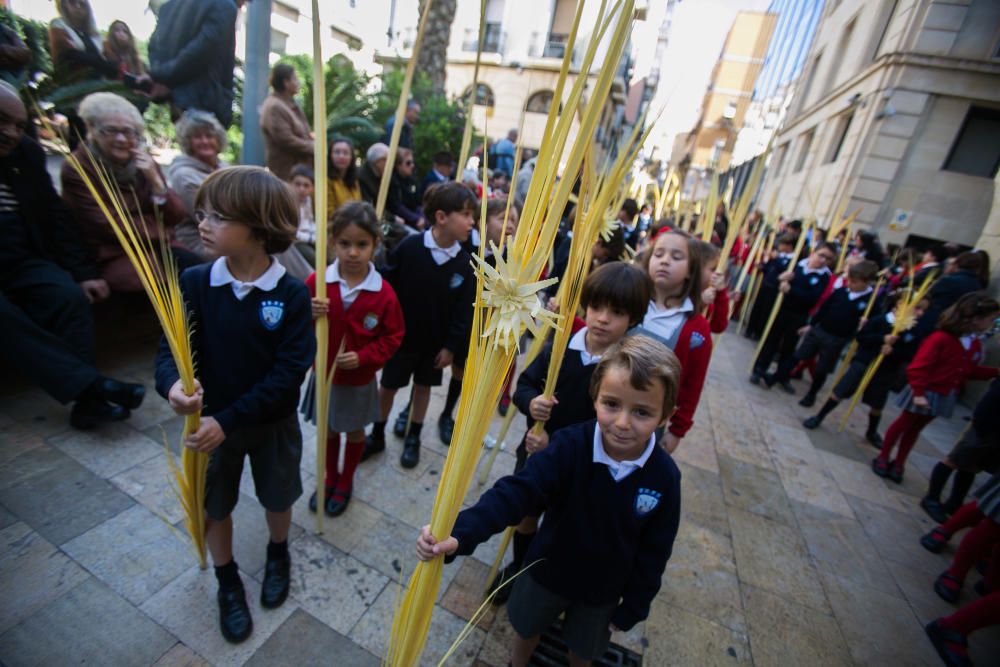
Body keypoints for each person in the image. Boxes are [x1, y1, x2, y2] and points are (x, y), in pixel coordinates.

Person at [416, 336, 682, 667]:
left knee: (584, 648)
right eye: (612, 404)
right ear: (595, 396)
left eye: (642, 411)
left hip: (603, 590)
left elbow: (656, 550)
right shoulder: (569, 445)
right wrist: (461, 532)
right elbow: (518, 491)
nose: (623, 423)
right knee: (526, 628)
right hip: (547, 569)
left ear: (665, 415)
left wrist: (635, 606)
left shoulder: (665, 477)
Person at [154, 166, 314, 644]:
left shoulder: (290, 295)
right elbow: (171, 351)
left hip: (270, 424)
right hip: (209, 429)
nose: (202, 223)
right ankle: (226, 578)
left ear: (260, 226)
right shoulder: (196, 282)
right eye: (201, 212)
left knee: (278, 495)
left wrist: (230, 418)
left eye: (218, 216)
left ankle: (278, 551)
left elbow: (289, 374)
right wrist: (172, 389)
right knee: (215, 503)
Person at [488, 262, 653, 605]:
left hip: (585, 465)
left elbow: (613, 425)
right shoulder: (561, 345)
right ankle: (518, 568)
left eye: (617, 312)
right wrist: (532, 404)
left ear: (634, 319)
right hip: (537, 451)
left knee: (563, 522)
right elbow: (526, 385)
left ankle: (543, 575)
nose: (602, 318)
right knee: (527, 513)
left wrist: (560, 443)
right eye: (596, 307)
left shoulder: (624, 368)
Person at [0, 81, 144, 429]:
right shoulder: (81, 167)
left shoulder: (27, 155)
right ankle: (91, 390)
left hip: (18, 259)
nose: (11, 133)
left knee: (66, 295)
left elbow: (55, 217)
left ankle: (88, 400)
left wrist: (82, 272)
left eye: (19, 125)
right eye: (2, 121)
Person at [362, 182, 476, 468]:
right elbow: (387, 280)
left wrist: (451, 346)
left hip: (434, 345)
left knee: (423, 388)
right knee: (387, 387)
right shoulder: (411, 247)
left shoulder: (465, 263)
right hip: (401, 339)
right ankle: (377, 433)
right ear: (441, 217)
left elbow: (464, 311)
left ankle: (414, 435)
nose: (472, 222)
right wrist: (369, 266)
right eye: (465, 214)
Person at [302, 202, 404, 516]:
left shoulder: (383, 293)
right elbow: (296, 326)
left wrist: (363, 357)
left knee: (355, 431)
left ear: (375, 245)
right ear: (333, 243)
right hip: (325, 377)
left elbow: (393, 336)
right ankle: (330, 477)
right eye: (345, 244)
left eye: (362, 244)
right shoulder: (317, 284)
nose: (353, 253)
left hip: (358, 380)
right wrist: (308, 312)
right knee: (329, 429)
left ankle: (346, 480)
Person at [60, 92, 198, 293]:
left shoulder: (143, 162)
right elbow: (111, 226)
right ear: (92, 130)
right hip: (112, 252)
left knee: (201, 274)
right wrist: (162, 230)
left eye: (129, 132)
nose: (121, 139)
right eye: (111, 131)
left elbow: (176, 215)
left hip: (158, 248)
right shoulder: (78, 167)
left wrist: (155, 181)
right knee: (162, 281)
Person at [873, 292, 1000, 483]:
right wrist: (918, 392)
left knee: (915, 430)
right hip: (925, 390)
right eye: (991, 319)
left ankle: (899, 461)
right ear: (975, 318)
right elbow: (918, 367)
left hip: (943, 393)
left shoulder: (971, 343)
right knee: (904, 424)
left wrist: (994, 372)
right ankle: (883, 456)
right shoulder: (941, 338)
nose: (992, 324)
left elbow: (966, 369)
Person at [803, 294, 927, 445]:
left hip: (885, 371)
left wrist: (894, 351)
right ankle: (819, 416)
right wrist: (881, 339)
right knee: (840, 391)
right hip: (863, 363)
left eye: (923, 310)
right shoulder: (879, 320)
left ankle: (871, 431)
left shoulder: (914, 331)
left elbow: (911, 353)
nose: (921, 313)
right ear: (900, 304)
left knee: (877, 403)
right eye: (918, 308)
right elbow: (861, 337)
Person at [635, 230, 712, 453]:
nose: (665, 261)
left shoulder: (697, 329)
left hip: (649, 422)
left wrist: (677, 430)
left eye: (677, 257)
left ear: (691, 270)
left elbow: (693, 384)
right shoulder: (629, 300)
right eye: (658, 254)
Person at [766, 260, 879, 405]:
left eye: (855, 282)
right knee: (797, 356)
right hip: (820, 330)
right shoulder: (841, 291)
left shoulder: (870, 302)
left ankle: (812, 394)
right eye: (849, 280)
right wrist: (811, 325)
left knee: (821, 369)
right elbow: (824, 309)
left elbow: (871, 324)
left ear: (867, 282)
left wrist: (864, 325)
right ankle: (775, 377)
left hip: (837, 338)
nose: (850, 284)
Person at [750, 242, 836, 391]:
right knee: (771, 340)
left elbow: (812, 297)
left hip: (799, 315)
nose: (823, 260)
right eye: (821, 255)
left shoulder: (824, 277)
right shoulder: (796, 264)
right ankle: (759, 369)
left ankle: (782, 376)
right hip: (781, 309)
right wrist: (780, 278)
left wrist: (791, 289)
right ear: (813, 252)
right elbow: (772, 277)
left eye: (828, 259)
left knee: (789, 346)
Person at [147, 0, 246, 126]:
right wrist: (164, 77)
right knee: (203, 142)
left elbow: (155, 47)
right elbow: (203, 50)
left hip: (178, 101)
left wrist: (159, 77)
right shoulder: (224, 6)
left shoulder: (169, 6)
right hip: (205, 103)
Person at [922, 378, 1000, 524]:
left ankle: (955, 503)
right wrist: (982, 430)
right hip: (985, 429)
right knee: (954, 460)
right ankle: (931, 498)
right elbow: (987, 406)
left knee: (971, 467)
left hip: (991, 434)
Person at [167, 108, 229, 258]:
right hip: (202, 240)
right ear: (188, 142)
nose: (205, 141)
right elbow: (210, 218)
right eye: (197, 137)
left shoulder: (224, 167)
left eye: (209, 136)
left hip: (228, 231)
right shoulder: (184, 176)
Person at [259, 62, 313, 181]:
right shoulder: (275, 106)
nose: (298, 82)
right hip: (286, 174)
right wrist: (313, 147)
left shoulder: (288, 104)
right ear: (286, 82)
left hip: (298, 171)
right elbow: (286, 140)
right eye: (295, 78)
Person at [745, 233, 796, 339]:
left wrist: (776, 259)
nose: (779, 246)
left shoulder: (793, 260)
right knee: (757, 307)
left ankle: (758, 332)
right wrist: (762, 267)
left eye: (782, 244)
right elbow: (769, 268)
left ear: (789, 246)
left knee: (766, 311)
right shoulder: (778, 255)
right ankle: (750, 329)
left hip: (775, 288)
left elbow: (784, 272)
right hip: (766, 284)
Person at [698, 241, 730, 335]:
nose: (716, 274)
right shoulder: (678, 287)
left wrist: (721, 293)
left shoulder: (706, 291)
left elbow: (718, 326)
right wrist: (700, 303)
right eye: (713, 269)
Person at [387, 147, 424, 230]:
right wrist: (416, 219)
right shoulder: (392, 181)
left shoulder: (412, 180)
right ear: (398, 165)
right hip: (399, 222)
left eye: (412, 162)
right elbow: (396, 206)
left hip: (415, 220)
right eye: (408, 163)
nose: (412, 166)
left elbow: (418, 203)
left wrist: (421, 218)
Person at [326, 137, 362, 219]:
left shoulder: (354, 180)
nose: (341, 156)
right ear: (330, 156)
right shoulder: (325, 181)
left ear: (351, 157)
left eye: (345, 153)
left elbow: (359, 206)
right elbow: (329, 213)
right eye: (337, 152)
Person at [102, 20, 147, 84]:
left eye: (125, 31)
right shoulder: (105, 50)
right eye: (117, 30)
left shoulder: (134, 57)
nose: (121, 33)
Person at [289, 164, 317, 265]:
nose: (302, 189)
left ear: (312, 188)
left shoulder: (308, 200)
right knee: (314, 258)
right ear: (290, 183)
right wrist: (311, 238)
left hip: (308, 236)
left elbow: (310, 221)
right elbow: (290, 231)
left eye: (306, 185)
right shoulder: (287, 201)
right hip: (294, 242)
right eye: (297, 184)